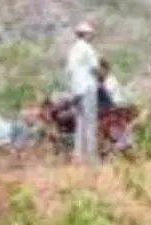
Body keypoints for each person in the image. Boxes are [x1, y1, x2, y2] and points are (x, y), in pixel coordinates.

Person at [66, 21, 99, 164]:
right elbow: (94, 68)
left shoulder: (73, 50)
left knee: (80, 122)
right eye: (90, 34)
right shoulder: (88, 49)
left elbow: (69, 71)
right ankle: (90, 156)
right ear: (86, 34)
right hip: (87, 87)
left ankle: (78, 154)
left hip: (76, 89)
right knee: (90, 121)